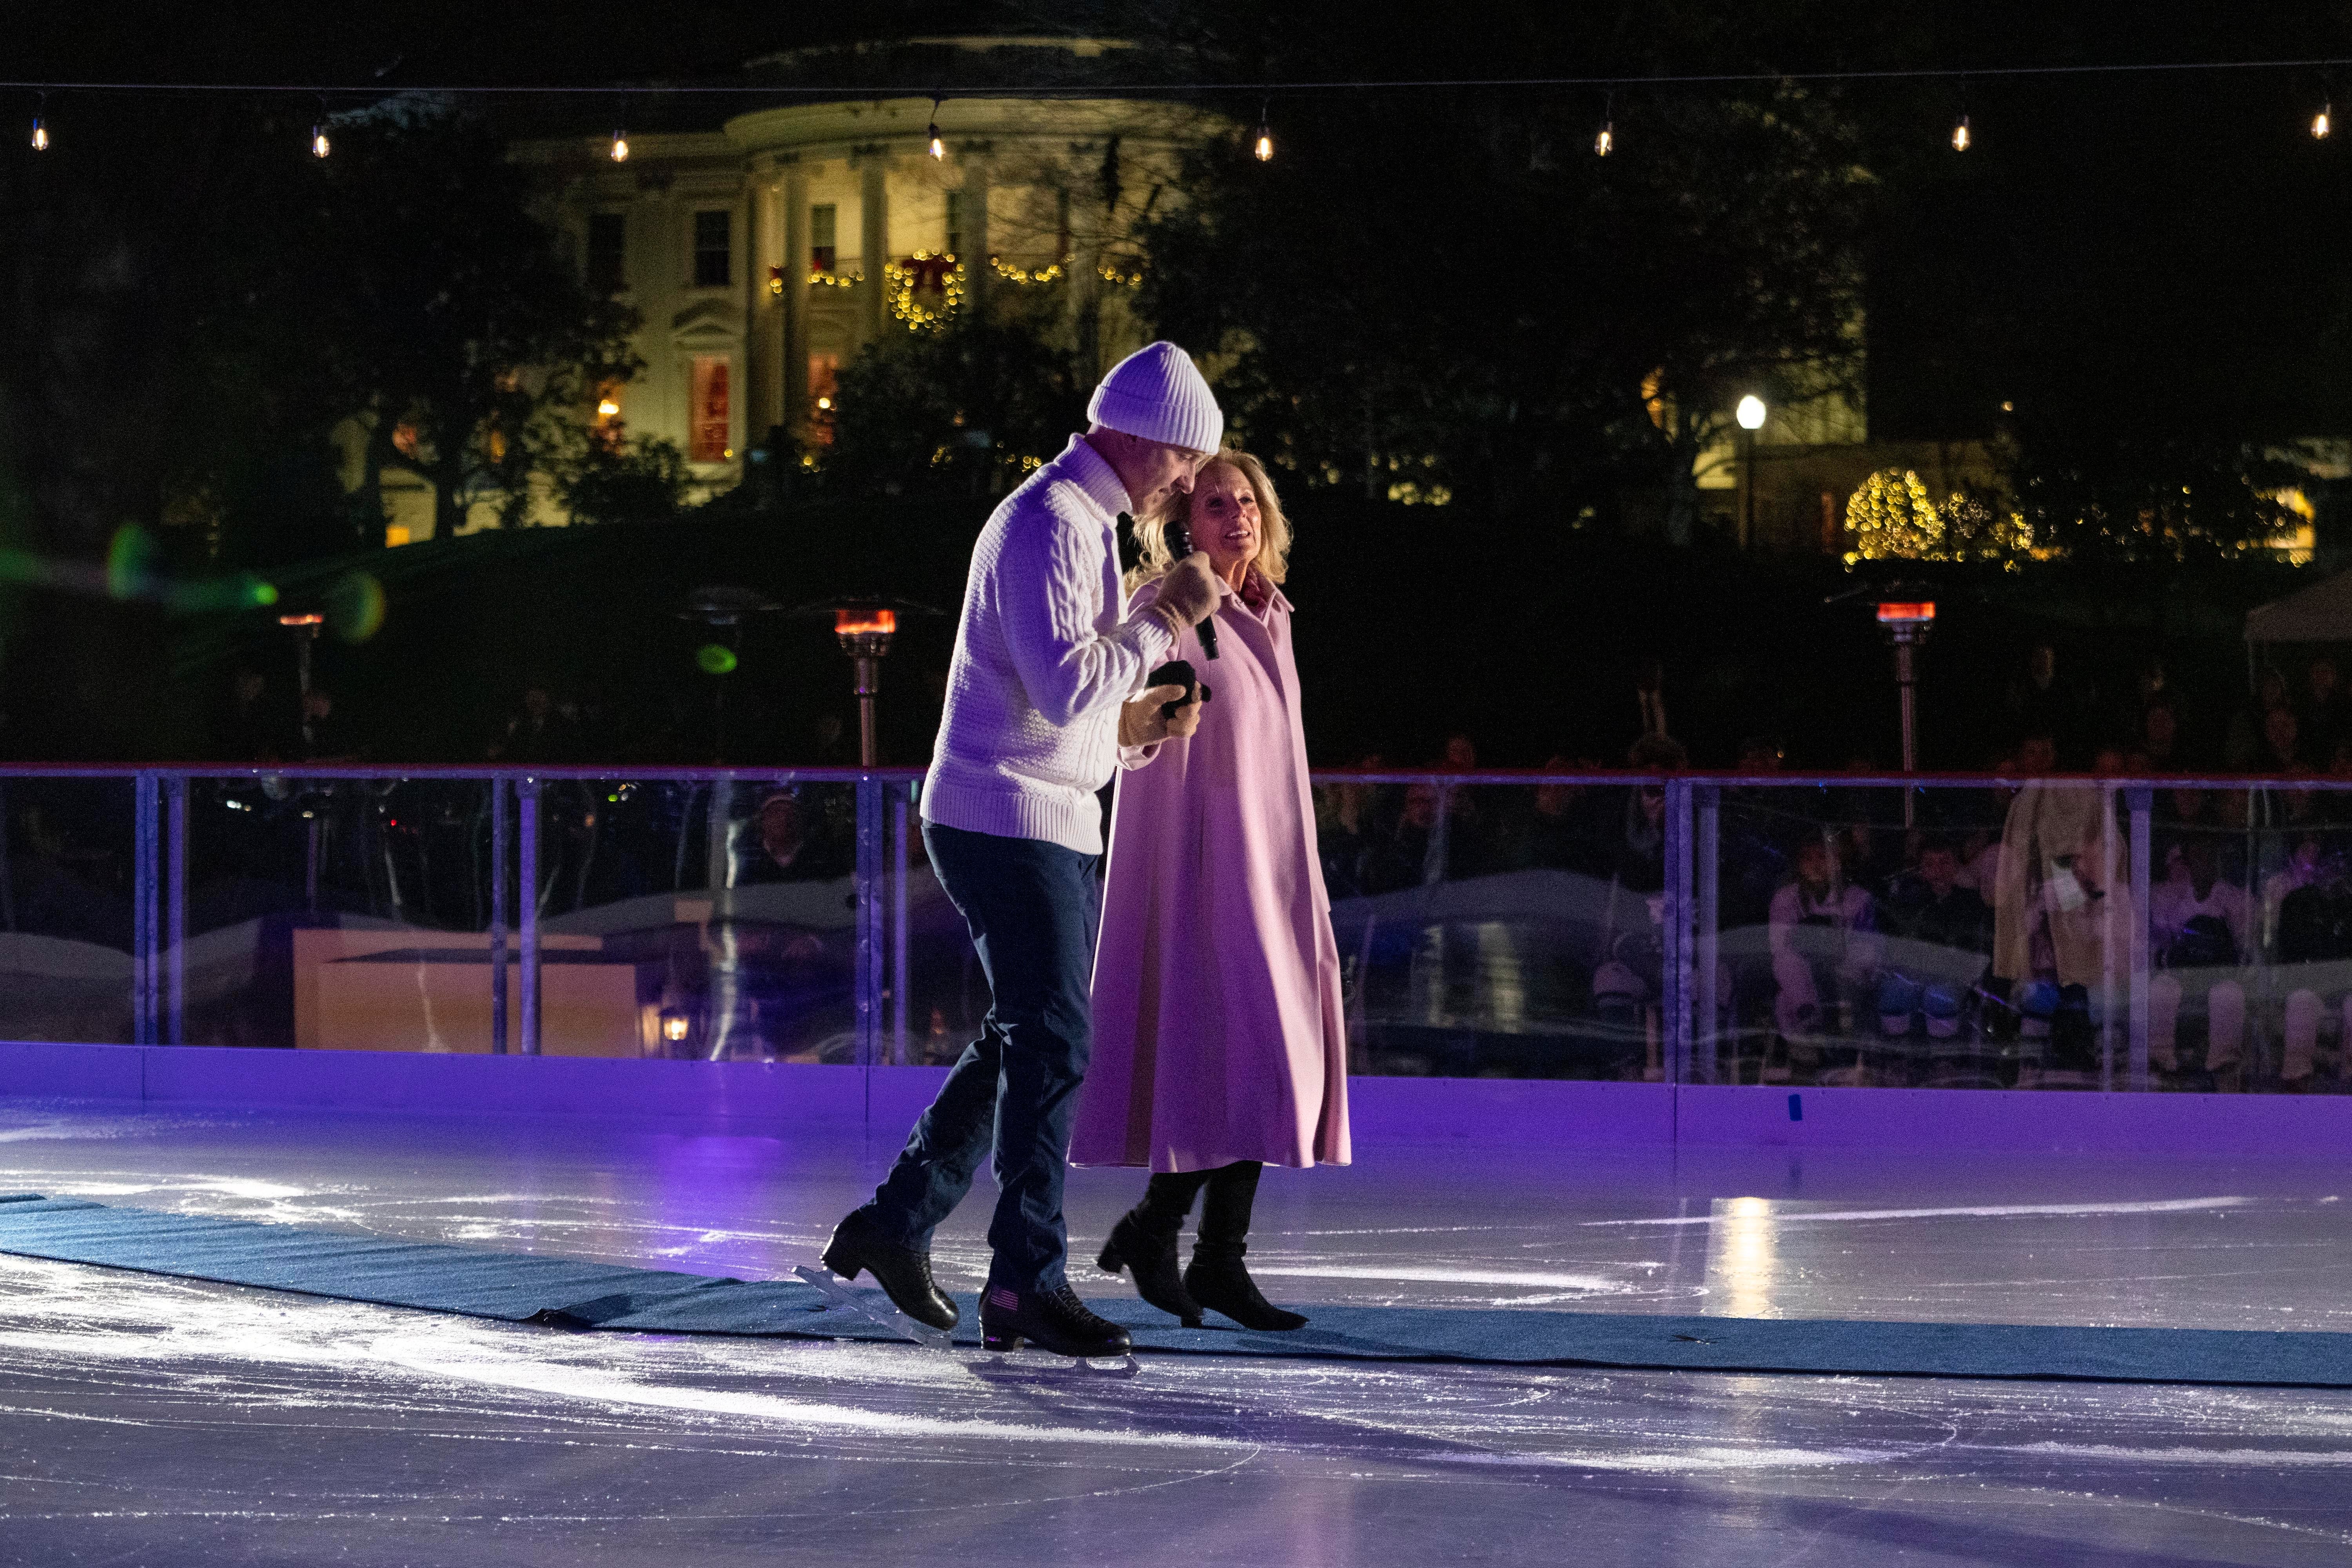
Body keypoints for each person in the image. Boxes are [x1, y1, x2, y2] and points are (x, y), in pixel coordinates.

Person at [820, 342, 1223, 1359]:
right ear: (1136, 436)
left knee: (1023, 1035)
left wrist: (1134, 731)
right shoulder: (1048, 522)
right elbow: (1061, 687)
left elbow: (1066, 707)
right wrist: (1161, 616)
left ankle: (897, 1223)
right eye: (1184, 459)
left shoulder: (1083, 523)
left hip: (1034, 810)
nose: (1186, 483)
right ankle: (1025, 1283)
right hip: (1001, 817)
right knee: (1055, 1040)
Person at [1076, 451, 1349, 1332]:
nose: (1236, 516)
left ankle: (1187, 1245)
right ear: (1182, 522)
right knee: (1244, 1060)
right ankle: (1184, 1244)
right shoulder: (1167, 607)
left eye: (1246, 502)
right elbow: (1124, 729)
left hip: (1276, 869)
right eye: (1215, 504)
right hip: (1205, 868)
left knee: (1263, 1066)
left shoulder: (1274, 611)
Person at [2148, 837, 2249, 1078]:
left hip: (2221, 974)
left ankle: (2222, 1066)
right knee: (2161, 989)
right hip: (2183, 974)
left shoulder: (2234, 898)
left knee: (2228, 995)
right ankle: (2161, 1064)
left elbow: (2244, 948)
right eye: (2195, 857)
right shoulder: (2175, 898)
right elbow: (2164, 946)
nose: (2200, 863)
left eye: (2206, 856)